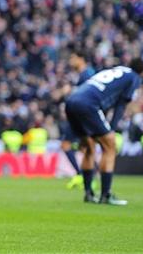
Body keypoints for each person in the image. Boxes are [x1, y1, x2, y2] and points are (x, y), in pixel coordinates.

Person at [65, 58, 143, 205]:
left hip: (72, 101)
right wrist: (111, 129)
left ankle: (88, 194)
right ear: (142, 72)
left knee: (89, 147)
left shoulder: (118, 70)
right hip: (89, 104)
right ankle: (106, 195)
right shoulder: (134, 77)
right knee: (110, 146)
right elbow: (121, 105)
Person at [62, 51, 96, 190]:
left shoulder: (88, 74)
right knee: (84, 147)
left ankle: (83, 176)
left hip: (82, 116)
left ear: (81, 59)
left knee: (69, 145)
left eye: (73, 58)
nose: (70, 61)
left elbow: (87, 94)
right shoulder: (84, 74)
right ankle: (86, 176)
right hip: (80, 115)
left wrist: (70, 91)